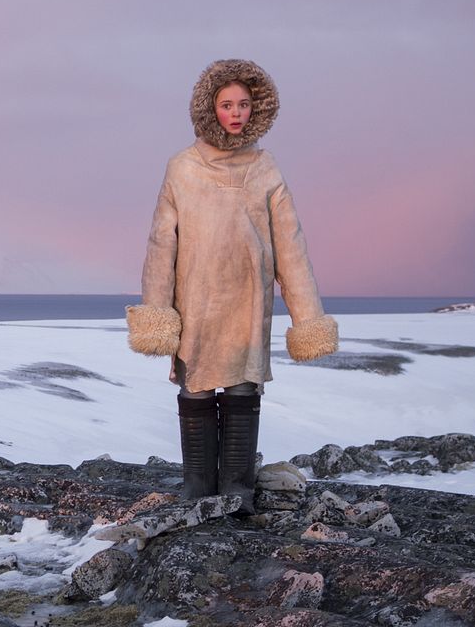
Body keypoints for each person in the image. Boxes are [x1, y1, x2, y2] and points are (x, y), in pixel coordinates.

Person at [126, 59, 338, 514]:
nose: (236, 113)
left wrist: (309, 319)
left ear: (256, 107)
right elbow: (161, 245)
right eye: (226, 104)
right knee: (196, 391)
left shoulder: (266, 168)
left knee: (242, 391)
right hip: (196, 301)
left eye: (243, 104)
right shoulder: (182, 168)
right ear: (210, 108)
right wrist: (157, 311)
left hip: (247, 301)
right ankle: (198, 489)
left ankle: (237, 491)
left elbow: (291, 246)